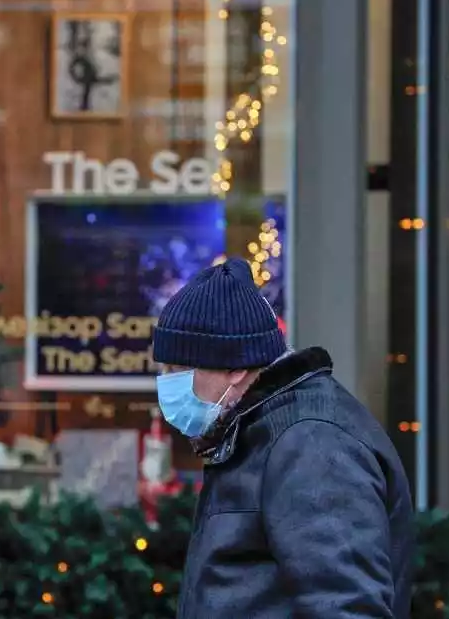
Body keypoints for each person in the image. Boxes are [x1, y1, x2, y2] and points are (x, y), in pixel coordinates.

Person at [152, 258, 414, 618]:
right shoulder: (261, 432)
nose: (166, 383)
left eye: (178, 369)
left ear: (235, 368)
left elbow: (348, 608)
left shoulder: (312, 443)